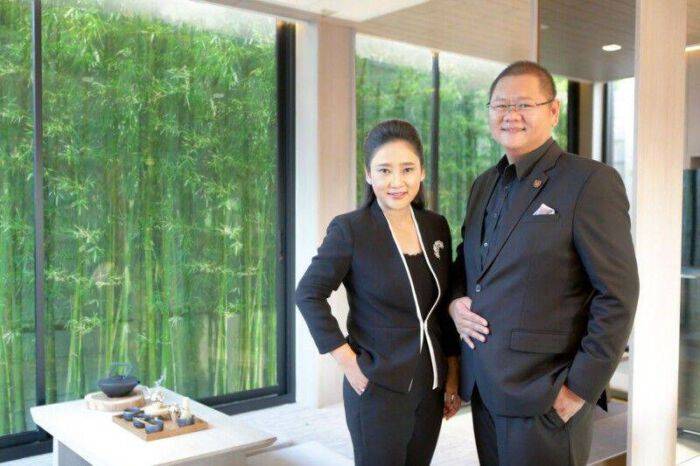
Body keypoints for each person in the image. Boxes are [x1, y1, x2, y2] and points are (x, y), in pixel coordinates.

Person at [448, 61, 639, 466]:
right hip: (485, 388)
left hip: (546, 394)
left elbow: (618, 294)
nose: (510, 114)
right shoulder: (484, 184)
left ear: (553, 111)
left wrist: (579, 390)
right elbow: (468, 261)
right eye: (500, 105)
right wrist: (455, 302)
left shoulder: (589, 182)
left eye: (523, 104)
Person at [296, 119, 462, 466]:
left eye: (407, 169)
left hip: (430, 386)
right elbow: (308, 294)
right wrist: (348, 362)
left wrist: (452, 375)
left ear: (421, 172)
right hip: (377, 384)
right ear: (368, 175)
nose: (397, 182)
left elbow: (442, 308)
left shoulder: (436, 226)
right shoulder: (351, 229)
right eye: (384, 170)